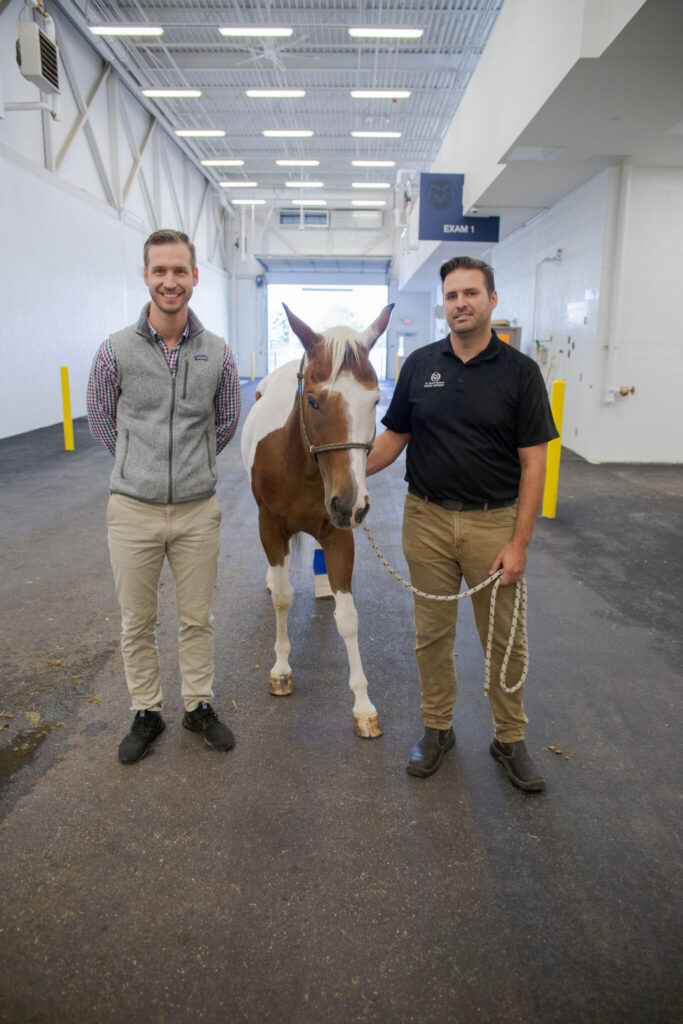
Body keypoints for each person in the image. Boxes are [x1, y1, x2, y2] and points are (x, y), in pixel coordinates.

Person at [366, 256, 558, 791]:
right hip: (424, 518)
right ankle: (437, 729)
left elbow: (533, 462)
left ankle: (509, 738)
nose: (461, 304)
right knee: (431, 636)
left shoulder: (521, 373)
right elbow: (394, 439)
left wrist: (520, 543)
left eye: (471, 293)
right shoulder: (420, 364)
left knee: (504, 639)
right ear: (443, 304)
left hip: (493, 524)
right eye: (452, 296)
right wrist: (347, 474)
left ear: (492, 301)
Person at [87, 229, 241, 764]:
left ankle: (199, 706)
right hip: (132, 510)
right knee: (137, 621)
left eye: (180, 271)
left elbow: (226, 423)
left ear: (195, 277)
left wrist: (192, 468)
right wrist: (139, 467)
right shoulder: (114, 351)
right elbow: (103, 419)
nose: (170, 281)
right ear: (146, 275)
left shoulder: (217, 353)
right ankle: (147, 712)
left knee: (197, 618)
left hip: (199, 511)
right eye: (160, 271)